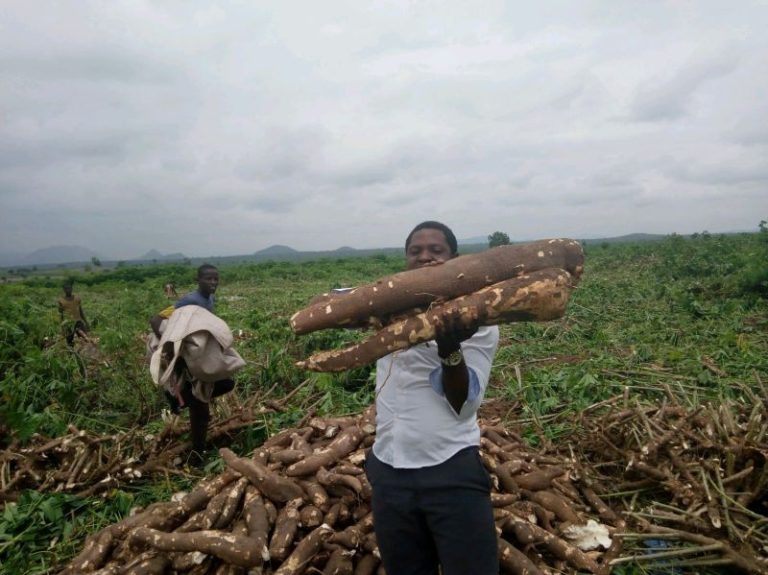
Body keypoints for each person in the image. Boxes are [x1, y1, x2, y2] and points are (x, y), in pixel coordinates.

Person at [364, 221, 500, 575]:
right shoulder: (384, 309)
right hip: (389, 470)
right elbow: (335, 302)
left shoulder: (478, 322)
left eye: (436, 251)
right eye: (415, 251)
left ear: (454, 259)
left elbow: (463, 404)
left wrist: (449, 345)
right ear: (405, 260)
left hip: (450, 470)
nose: (424, 257)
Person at [149, 264, 236, 464]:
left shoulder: (210, 299)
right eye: (208, 279)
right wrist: (169, 346)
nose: (213, 283)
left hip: (200, 358)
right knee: (201, 411)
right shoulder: (188, 301)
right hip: (187, 362)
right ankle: (197, 455)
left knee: (226, 383)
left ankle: (181, 400)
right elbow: (156, 319)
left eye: (216, 279)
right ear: (198, 280)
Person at [58, 280, 89, 346]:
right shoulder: (61, 301)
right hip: (68, 324)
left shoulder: (77, 299)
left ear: (72, 289)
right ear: (64, 290)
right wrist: (62, 327)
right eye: (66, 289)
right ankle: (71, 354)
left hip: (78, 322)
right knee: (70, 342)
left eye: (69, 288)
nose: (68, 290)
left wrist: (86, 322)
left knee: (85, 339)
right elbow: (61, 315)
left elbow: (81, 311)